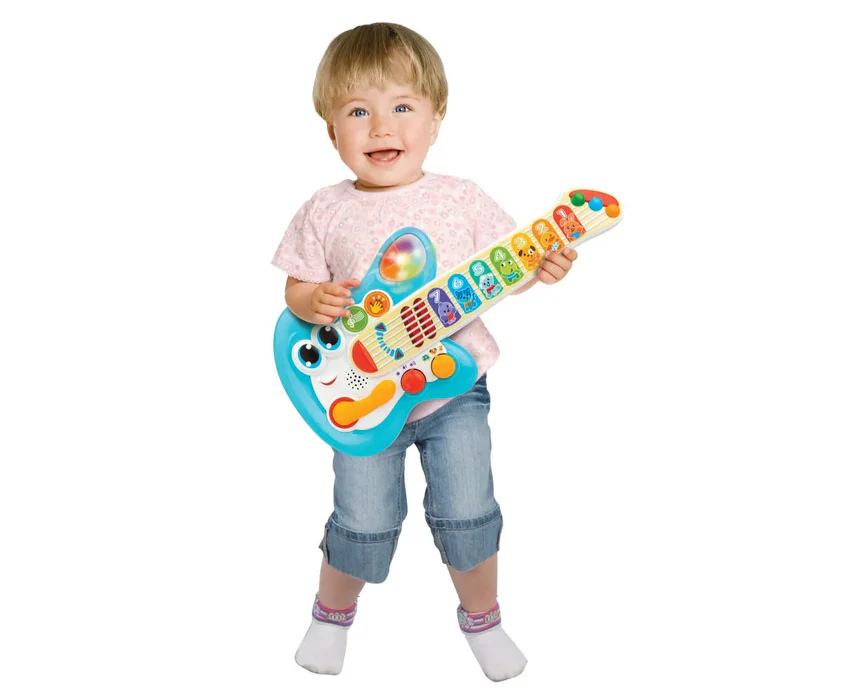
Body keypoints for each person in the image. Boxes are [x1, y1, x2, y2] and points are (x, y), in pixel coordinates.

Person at [271, 22, 578, 682]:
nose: (382, 126)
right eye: (359, 111)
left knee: (468, 508)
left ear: (436, 119)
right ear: (331, 130)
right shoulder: (323, 209)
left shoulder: (462, 198)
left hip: (452, 391)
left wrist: (542, 265)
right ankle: (330, 616)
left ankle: (483, 620)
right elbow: (296, 288)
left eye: (403, 106)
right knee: (363, 517)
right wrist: (312, 299)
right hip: (360, 399)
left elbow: (509, 269)